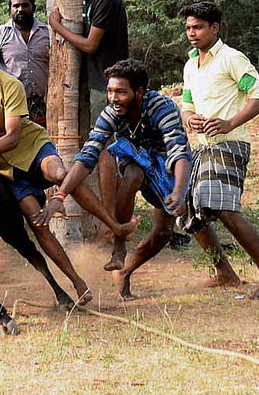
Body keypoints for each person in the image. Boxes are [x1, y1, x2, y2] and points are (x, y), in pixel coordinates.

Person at [0, 34, 137, 306]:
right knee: (37, 222)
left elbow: (14, 137)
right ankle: (77, 282)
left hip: (32, 147)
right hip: (5, 168)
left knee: (60, 174)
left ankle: (114, 227)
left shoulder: (10, 85)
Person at [53, 59, 191, 299]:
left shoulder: (163, 107)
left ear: (139, 92)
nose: (113, 98)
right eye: (109, 91)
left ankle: (126, 272)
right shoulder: (111, 113)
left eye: (120, 92)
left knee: (163, 233)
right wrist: (60, 195)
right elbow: (88, 156)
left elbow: (179, 151)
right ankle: (119, 247)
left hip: (167, 164)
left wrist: (178, 192)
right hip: (135, 159)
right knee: (133, 174)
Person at [179, 2, 259, 299]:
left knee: (224, 207)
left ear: (215, 28)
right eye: (188, 28)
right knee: (188, 212)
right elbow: (187, 106)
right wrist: (190, 118)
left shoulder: (231, 59)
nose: (191, 33)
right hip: (203, 146)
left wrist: (229, 123)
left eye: (197, 27)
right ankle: (224, 272)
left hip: (231, 143)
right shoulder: (190, 66)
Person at [47, 0, 128, 220]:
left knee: (106, 151)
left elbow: (90, 44)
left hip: (107, 85)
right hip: (98, 82)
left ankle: (109, 218)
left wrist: (57, 26)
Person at [0, 0, 50, 126]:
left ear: (33, 8)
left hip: (45, 102)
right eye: (16, 6)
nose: (20, 9)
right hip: (14, 102)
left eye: (25, 5)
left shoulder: (47, 32)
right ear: (10, 10)